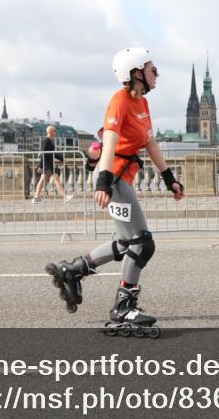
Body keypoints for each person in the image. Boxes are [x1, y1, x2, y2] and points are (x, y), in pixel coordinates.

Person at [45, 48, 184, 336]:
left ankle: (73, 270)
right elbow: (109, 144)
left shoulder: (142, 103)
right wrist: (103, 183)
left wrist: (169, 178)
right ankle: (124, 307)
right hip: (114, 178)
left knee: (125, 244)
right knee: (142, 243)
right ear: (136, 73)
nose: (156, 74)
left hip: (123, 178)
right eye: (152, 69)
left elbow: (150, 143)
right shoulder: (119, 102)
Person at [32, 125, 74, 203]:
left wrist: (62, 159)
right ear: (50, 131)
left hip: (47, 163)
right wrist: (40, 165)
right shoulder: (46, 141)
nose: (55, 132)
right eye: (54, 131)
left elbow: (53, 154)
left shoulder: (49, 141)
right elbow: (42, 153)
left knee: (42, 180)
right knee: (57, 178)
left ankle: (36, 198)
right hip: (47, 163)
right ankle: (65, 196)